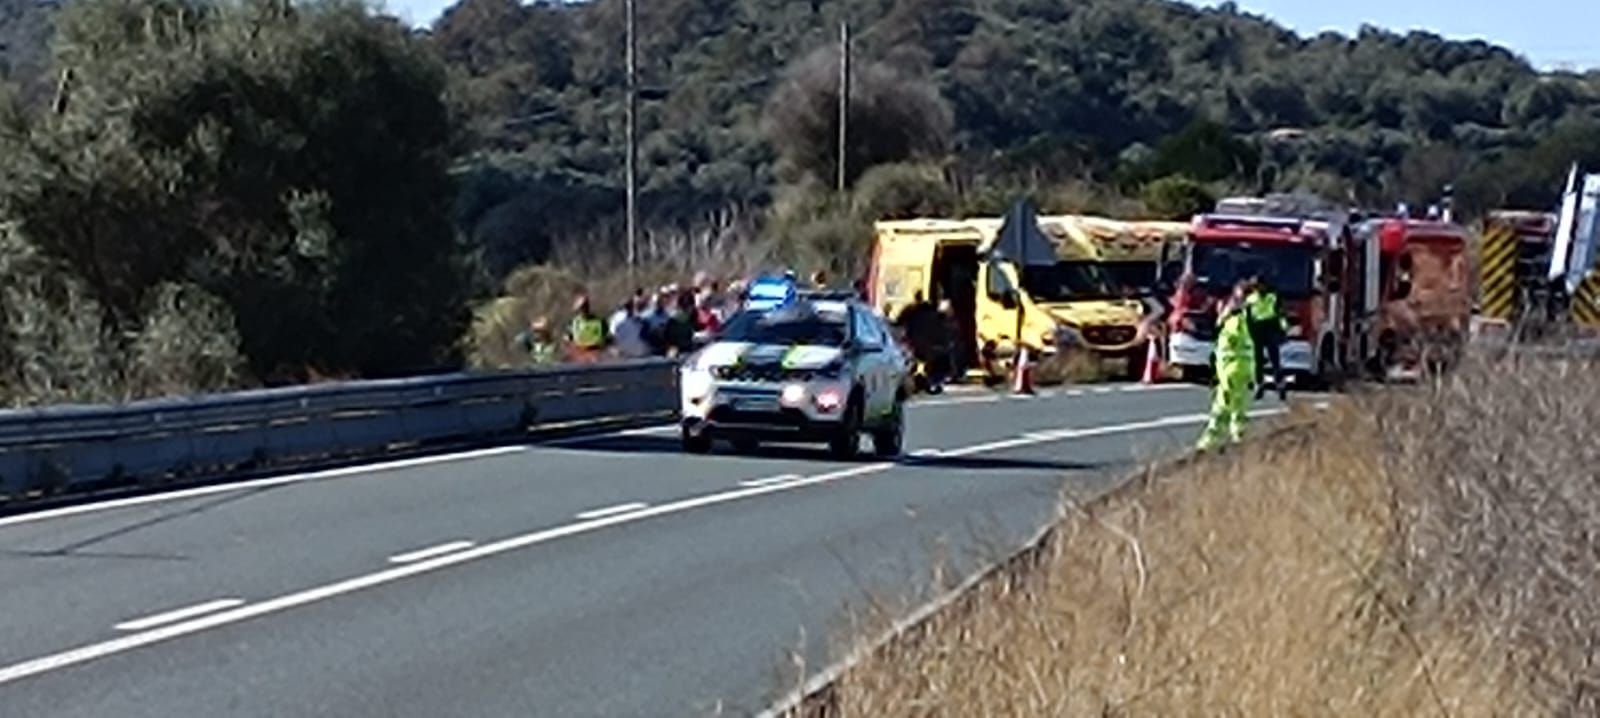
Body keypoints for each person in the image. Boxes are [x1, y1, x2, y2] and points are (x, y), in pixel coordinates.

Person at [1197, 282, 1257, 452]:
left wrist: (1225, 314)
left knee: (1222, 406)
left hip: (1232, 367)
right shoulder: (1252, 317)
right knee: (1239, 404)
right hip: (1242, 367)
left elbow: (1224, 335)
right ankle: (1239, 436)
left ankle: (1210, 441)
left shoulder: (1237, 320)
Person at [1244, 275, 1288, 401]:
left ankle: (1279, 383)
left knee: (1274, 357)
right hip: (1257, 329)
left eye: (1260, 286)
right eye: (1256, 286)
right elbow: (1247, 317)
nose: (1258, 288)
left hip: (1271, 327)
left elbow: (1280, 314)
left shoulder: (1272, 297)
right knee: (1257, 359)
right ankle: (1259, 384)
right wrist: (1247, 332)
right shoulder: (1250, 299)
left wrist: (1283, 328)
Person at [895, 291, 947, 393]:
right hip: (929, 348)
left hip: (916, 346)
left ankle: (923, 381)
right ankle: (932, 381)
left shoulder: (911, 311)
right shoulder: (936, 314)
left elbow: (899, 323)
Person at [567, 294, 609, 362]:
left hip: (595, 355)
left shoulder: (599, 322)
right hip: (579, 356)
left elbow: (606, 339)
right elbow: (569, 342)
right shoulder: (573, 323)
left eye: (585, 307)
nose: (583, 310)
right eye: (581, 308)